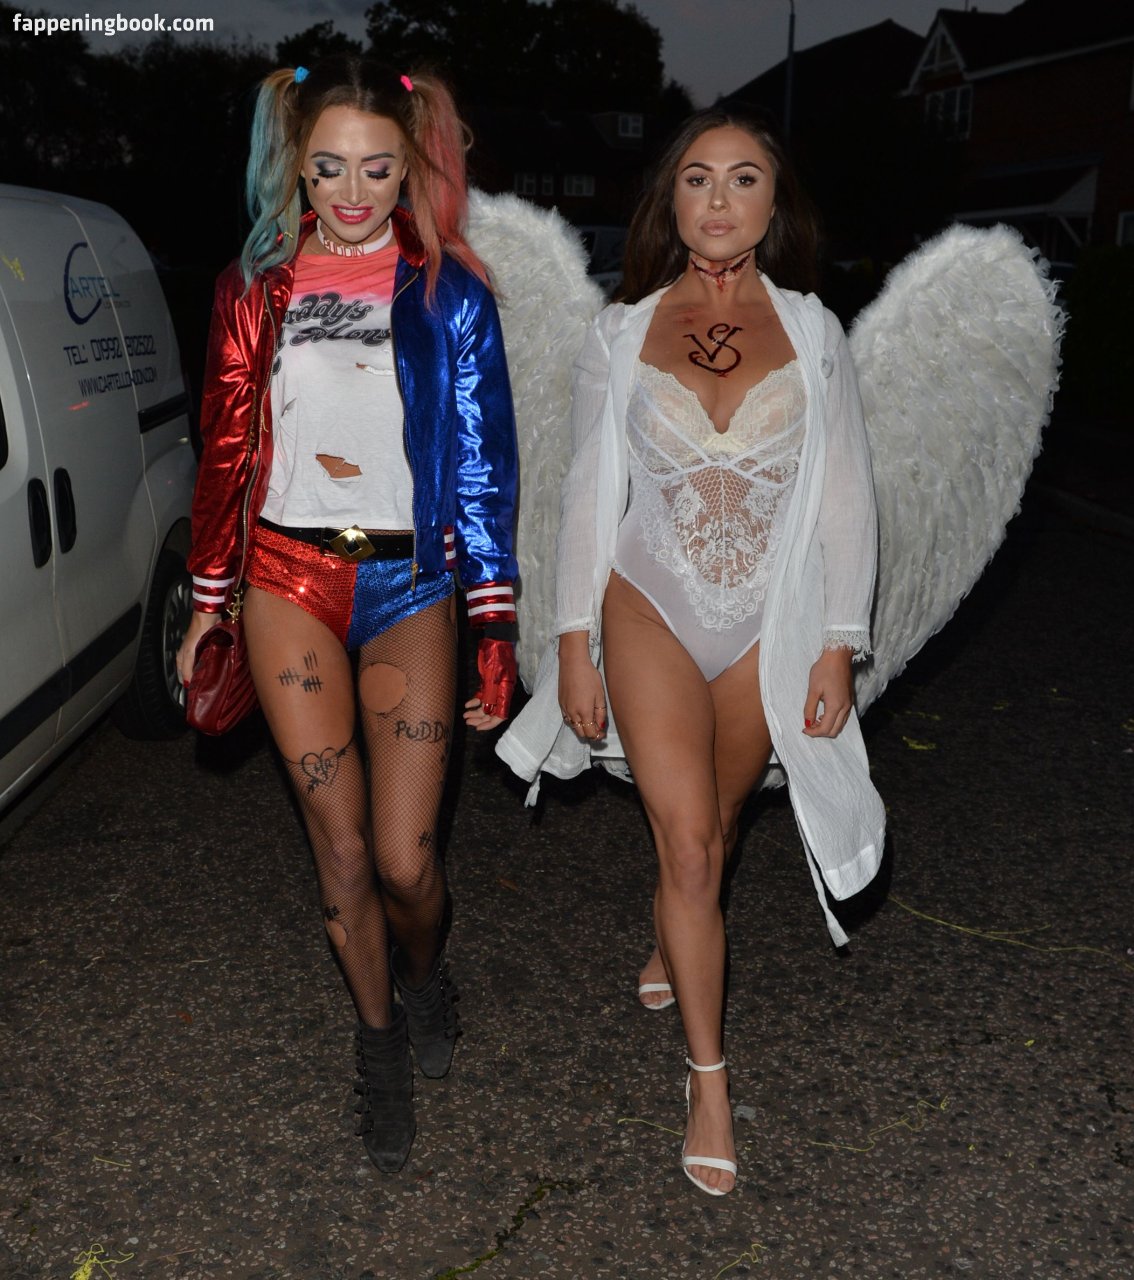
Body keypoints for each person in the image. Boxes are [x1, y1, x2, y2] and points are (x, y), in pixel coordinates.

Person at [498, 108, 885, 1195]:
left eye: (744, 178)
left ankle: (677, 931)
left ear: (774, 202)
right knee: (691, 848)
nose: (720, 199)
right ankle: (708, 1080)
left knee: (715, 825)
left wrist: (840, 644)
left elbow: (850, 493)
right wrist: (573, 642)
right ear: (670, 201)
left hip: (772, 620)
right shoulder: (622, 332)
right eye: (698, 178)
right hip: (649, 603)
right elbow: (587, 495)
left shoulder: (815, 330)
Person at [176, 55, 520, 1174]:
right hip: (289, 580)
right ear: (297, 166)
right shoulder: (253, 287)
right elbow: (227, 447)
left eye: (377, 167)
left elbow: (482, 463)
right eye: (328, 167)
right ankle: (377, 1042)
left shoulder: (450, 293)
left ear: (410, 165)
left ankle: (424, 975)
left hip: (411, 583)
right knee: (340, 850)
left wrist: (495, 620)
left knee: (408, 862)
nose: (353, 190)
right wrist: (210, 600)